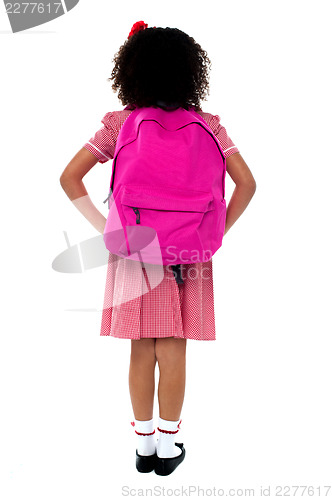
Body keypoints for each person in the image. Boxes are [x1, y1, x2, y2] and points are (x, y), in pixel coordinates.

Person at [59, 21, 256, 476]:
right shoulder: (210, 126)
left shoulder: (121, 122)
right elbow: (246, 183)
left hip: (134, 250)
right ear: (191, 71)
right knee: (173, 347)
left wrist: (109, 228)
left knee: (140, 348)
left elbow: (69, 177)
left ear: (131, 70)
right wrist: (216, 231)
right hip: (192, 254)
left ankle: (143, 445)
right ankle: (169, 449)